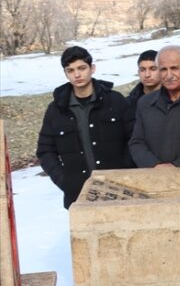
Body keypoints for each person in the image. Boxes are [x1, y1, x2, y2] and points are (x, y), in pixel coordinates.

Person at [37, 46, 133, 209]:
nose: (77, 75)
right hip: (78, 195)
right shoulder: (56, 110)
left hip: (119, 190)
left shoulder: (115, 101)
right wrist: (64, 180)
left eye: (82, 68)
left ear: (92, 68)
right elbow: (45, 151)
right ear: (65, 73)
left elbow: (133, 139)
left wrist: (125, 172)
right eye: (70, 70)